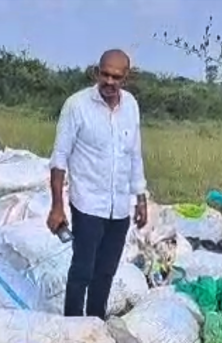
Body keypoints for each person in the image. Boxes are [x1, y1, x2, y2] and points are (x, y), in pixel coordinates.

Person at [47, 49, 148, 319]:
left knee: (106, 271)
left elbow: (134, 154)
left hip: (119, 208)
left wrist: (141, 198)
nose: (110, 82)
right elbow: (59, 158)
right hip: (88, 203)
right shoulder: (77, 106)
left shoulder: (131, 106)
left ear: (126, 77)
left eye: (117, 76)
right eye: (105, 74)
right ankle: (72, 325)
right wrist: (57, 207)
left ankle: (95, 323)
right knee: (82, 270)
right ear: (97, 72)